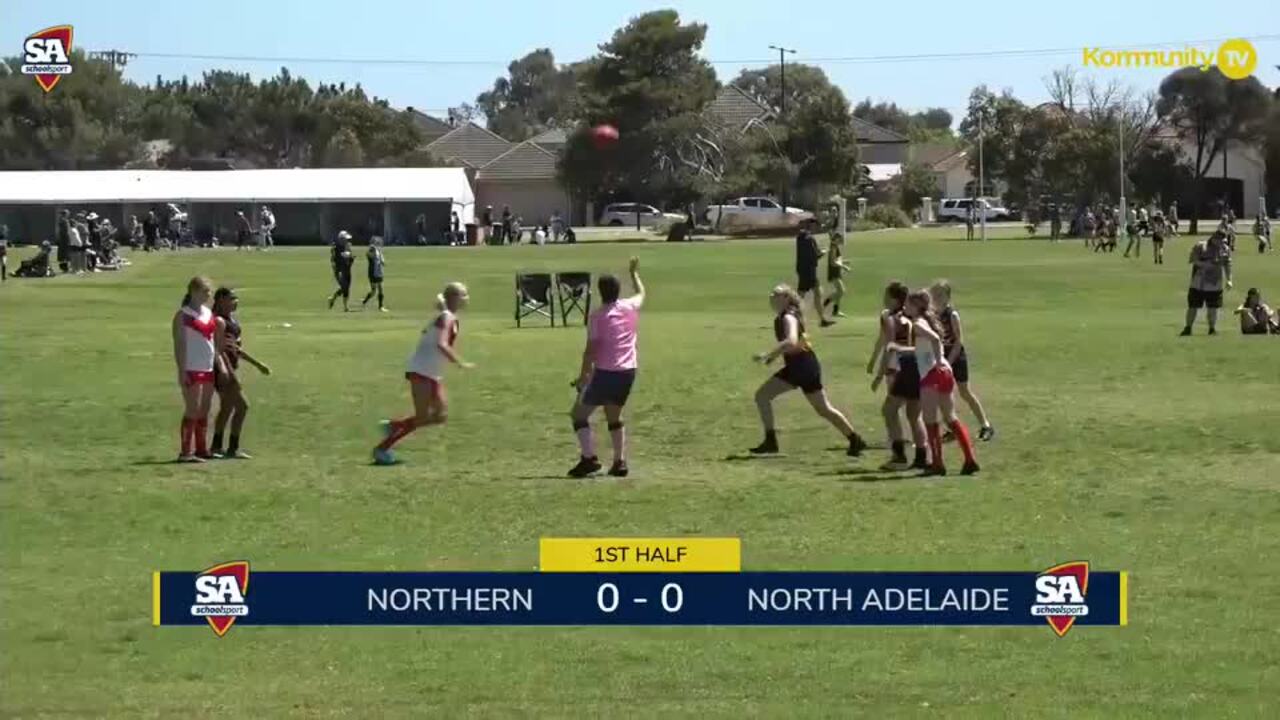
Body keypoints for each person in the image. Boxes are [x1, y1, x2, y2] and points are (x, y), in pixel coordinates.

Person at [748, 284, 867, 457]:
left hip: (800, 366)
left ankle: (771, 441)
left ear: (787, 298)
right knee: (823, 409)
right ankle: (855, 440)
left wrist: (768, 354)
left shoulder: (787, 317)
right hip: (806, 364)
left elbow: (791, 341)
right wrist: (774, 357)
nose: (772, 296)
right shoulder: (787, 315)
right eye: (772, 293)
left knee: (762, 396)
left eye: (777, 294)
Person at [372, 283, 473, 465]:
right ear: (453, 298)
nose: (467, 298)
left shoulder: (448, 317)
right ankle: (381, 449)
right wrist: (459, 362)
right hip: (422, 370)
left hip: (431, 372)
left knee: (439, 415)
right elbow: (441, 344)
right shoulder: (447, 318)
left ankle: (395, 426)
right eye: (463, 295)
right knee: (423, 417)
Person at [567, 258, 644, 478]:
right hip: (627, 372)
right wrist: (634, 274)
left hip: (605, 372)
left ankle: (589, 459)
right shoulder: (629, 306)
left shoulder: (597, 317)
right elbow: (641, 293)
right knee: (614, 416)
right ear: (619, 291)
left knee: (578, 415)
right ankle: (619, 462)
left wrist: (583, 378)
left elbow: (590, 350)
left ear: (600, 292)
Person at [894, 290, 980, 476]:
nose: (905, 307)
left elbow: (933, 339)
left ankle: (938, 464)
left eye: (908, 304)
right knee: (951, 418)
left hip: (932, 375)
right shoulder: (926, 321)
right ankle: (970, 459)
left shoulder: (917, 324)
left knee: (930, 422)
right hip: (945, 373)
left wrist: (938, 360)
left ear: (916, 306)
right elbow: (928, 345)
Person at [867, 281, 929, 471]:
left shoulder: (890, 317)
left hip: (901, 368)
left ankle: (899, 455)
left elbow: (890, 347)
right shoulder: (913, 316)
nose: (883, 300)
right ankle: (921, 457)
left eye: (886, 296)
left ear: (894, 300)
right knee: (913, 414)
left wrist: (879, 374)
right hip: (920, 367)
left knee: (890, 410)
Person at [930, 280, 995, 441]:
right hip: (942, 357)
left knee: (965, 392)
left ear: (947, 297)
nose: (936, 297)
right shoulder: (932, 315)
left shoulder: (952, 314)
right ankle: (951, 428)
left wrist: (949, 362)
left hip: (956, 357)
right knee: (942, 395)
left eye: (940, 294)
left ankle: (985, 425)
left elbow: (959, 341)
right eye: (934, 294)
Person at [210, 287, 271, 458]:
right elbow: (218, 349)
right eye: (232, 298)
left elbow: (237, 349)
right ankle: (232, 448)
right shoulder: (218, 321)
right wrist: (225, 370)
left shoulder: (232, 321)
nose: (235, 302)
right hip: (223, 369)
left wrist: (257, 364)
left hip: (229, 368)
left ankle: (217, 447)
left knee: (227, 407)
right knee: (242, 406)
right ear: (221, 299)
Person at [172, 276, 225, 462]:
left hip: (208, 366)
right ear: (194, 291)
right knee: (192, 409)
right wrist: (181, 370)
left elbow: (213, 342)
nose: (209, 295)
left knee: (205, 409)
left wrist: (218, 363)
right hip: (191, 367)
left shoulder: (208, 313)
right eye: (206, 291)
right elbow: (179, 344)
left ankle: (202, 448)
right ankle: (186, 452)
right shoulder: (182, 315)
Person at [1181, 231, 1233, 336]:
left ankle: (1212, 329)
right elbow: (1192, 260)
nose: (1222, 244)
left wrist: (1229, 279)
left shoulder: (1225, 249)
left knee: (1213, 308)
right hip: (1198, 283)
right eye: (1220, 241)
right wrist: (1205, 264)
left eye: (1224, 241)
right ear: (1214, 238)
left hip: (1215, 284)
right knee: (1193, 307)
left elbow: (1227, 265)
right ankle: (1188, 328)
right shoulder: (1201, 246)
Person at [794, 218, 834, 327]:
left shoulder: (800, 237)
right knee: (801, 295)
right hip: (809, 270)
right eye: (816, 226)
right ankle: (791, 314)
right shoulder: (810, 238)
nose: (817, 229)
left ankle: (822, 319)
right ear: (812, 226)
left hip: (802, 269)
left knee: (816, 292)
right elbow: (815, 255)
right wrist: (824, 252)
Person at [822, 232, 850, 318]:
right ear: (836, 239)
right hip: (834, 273)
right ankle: (826, 303)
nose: (841, 240)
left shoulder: (835, 247)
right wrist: (844, 267)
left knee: (839, 292)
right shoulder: (833, 247)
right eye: (840, 238)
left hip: (836, 272)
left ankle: (836, 310)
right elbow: (832, 262)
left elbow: (836, 260)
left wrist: (844, 261)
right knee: (841, 291)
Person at [328, 231, 355, 312]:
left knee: (346, 288)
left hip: (347, 269)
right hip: (340, 270)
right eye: (345, 239)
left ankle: (332, 298)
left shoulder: (347, 246)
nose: (347, 240)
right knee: (345, 287)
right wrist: (336, 270)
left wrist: (351, 258)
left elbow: (349, 258)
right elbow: (333, 260)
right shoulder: (335, 247)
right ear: (341, 239)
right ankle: (345, 307)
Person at [362, 238, 387, 311]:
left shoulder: (378, 251)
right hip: (373, 273)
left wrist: (382, 262)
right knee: (374, 291)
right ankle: (367, 302)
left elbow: (381, 261)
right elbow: (369, 255)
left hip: (379, 272)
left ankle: (380, 306)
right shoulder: (372, 249)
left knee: (379, 289)